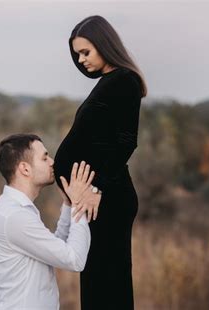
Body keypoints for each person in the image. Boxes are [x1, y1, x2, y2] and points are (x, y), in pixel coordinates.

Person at [53, 15, 148, 310]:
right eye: (77, 54)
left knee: (107, 284)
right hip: (97, 199)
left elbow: (126, 141)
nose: (81, 60)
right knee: (96, 282)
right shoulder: (110, 81)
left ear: (104, 44)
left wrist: (96, 188)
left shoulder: (124, 80)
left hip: (108, 198)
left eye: (86, 52)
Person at [0, 133, 96, 310]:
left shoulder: (11, 209)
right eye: (45, 157)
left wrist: (68, 205)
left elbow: (53, 251)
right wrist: (79, 202)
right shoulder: (15, 217)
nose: (52, 162)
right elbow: (75, 259)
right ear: (25, 169)